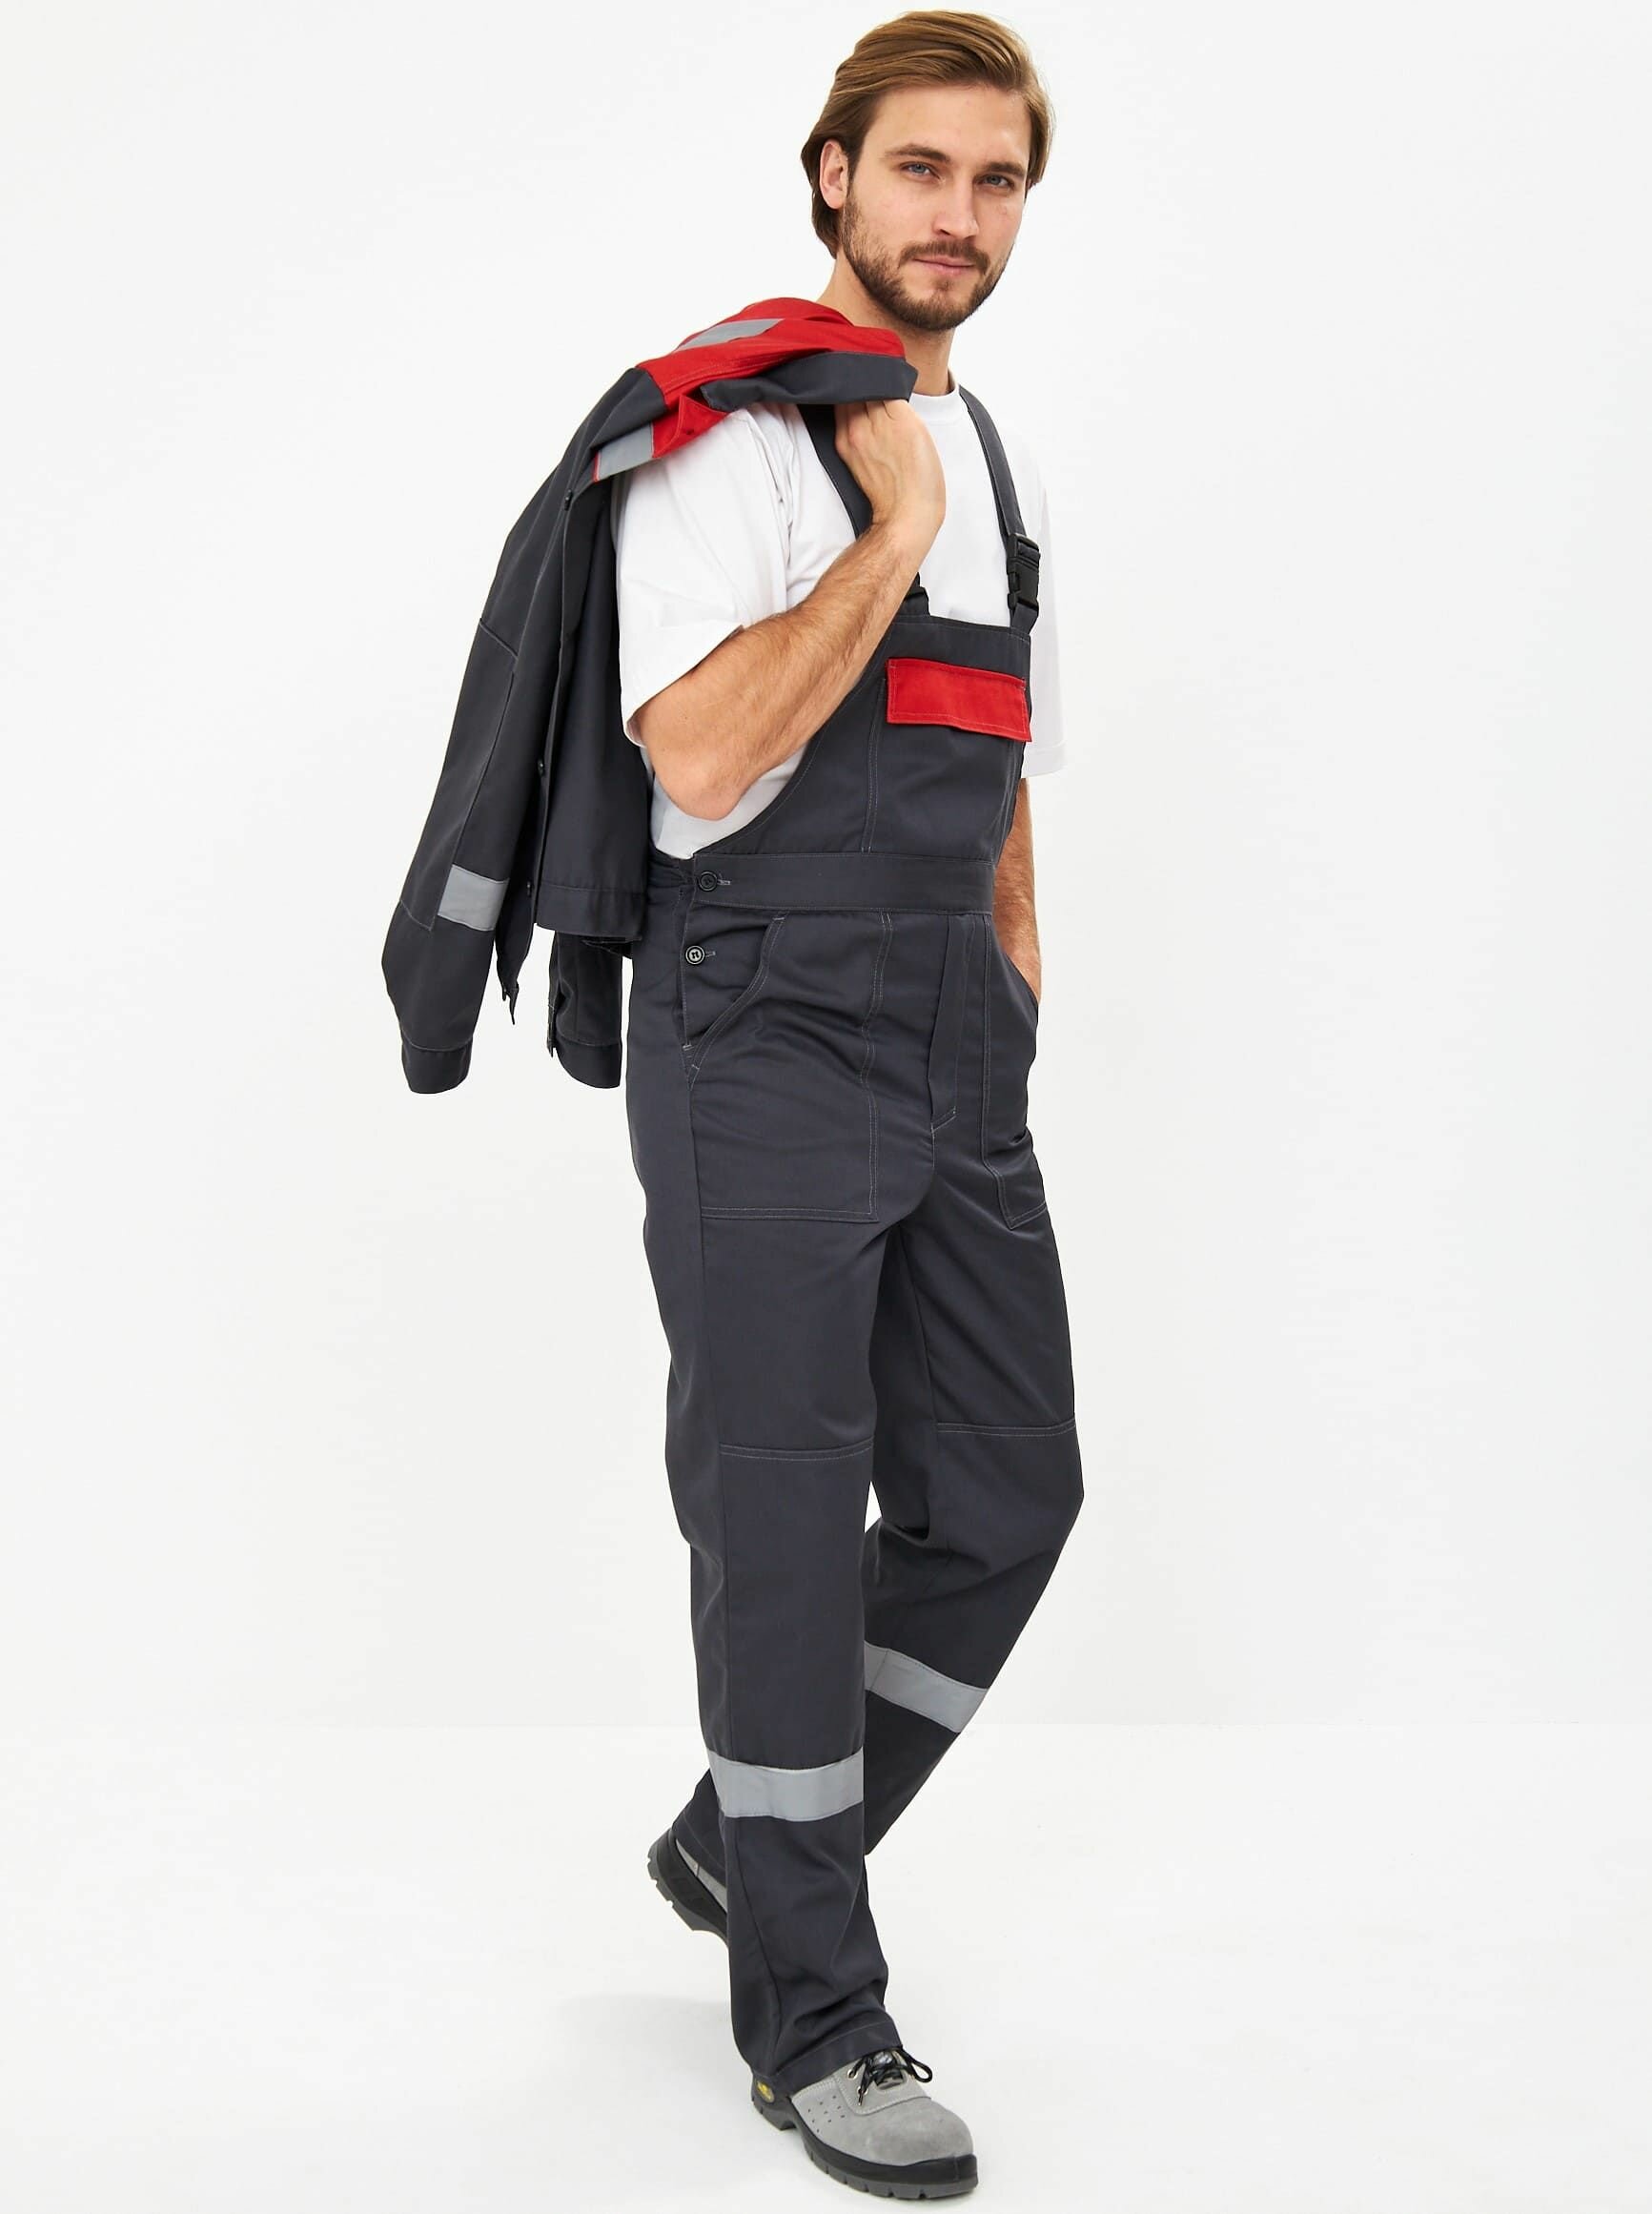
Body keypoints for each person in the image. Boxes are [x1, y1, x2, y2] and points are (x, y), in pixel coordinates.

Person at [614, 13, 1083, 2197]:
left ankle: (749, 1846)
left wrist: (1015, 987)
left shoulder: (1009, 462)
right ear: (832, 174)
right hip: (764, 1029)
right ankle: (817, 2020)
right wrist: (884, 529)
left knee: (1005, 1497)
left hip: (951, 1036)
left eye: (996, 180)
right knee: (789, 1525)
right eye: (920, 170)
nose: (956, 217)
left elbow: (1007, 769)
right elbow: (702, 758)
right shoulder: (722, 436)